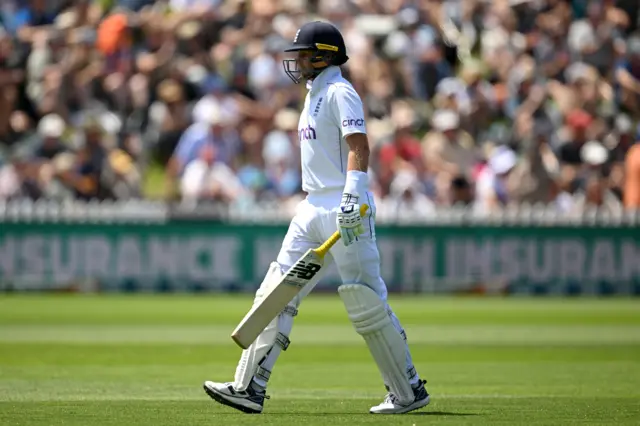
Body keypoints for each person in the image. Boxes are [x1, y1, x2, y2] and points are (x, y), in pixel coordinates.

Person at [202, 21, 430, 415]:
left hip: (345, 206)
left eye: (303, 54)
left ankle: (408, 389)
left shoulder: (341, 91)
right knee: (276, 292)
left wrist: (352, 197)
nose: (296, 62)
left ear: (324, 55)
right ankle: (248, 387)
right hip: (310, 207)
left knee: (365, 300)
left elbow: (359, 146)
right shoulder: (313, 94)